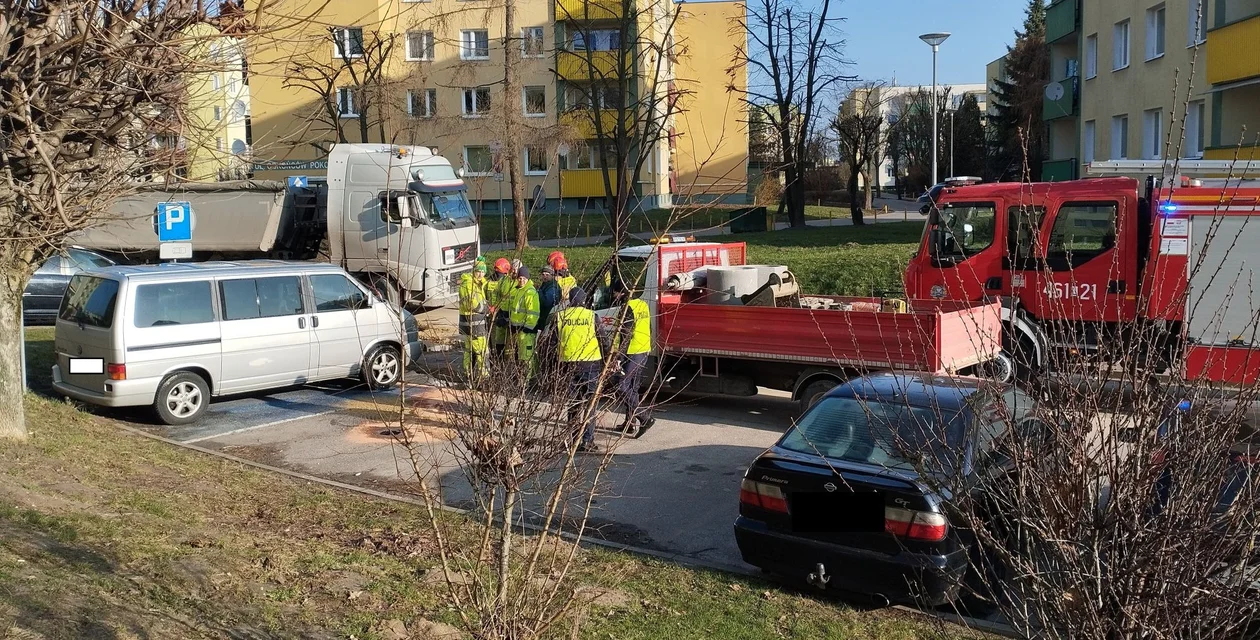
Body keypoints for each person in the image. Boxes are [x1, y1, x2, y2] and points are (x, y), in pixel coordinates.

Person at [557, 287, 606, 453]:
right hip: (591, 365)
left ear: (570, 300)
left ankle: (573, 439)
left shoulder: (561, 317)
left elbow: (551, 343)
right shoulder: (592, 317)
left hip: (569, 366)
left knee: (574, 404)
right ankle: (587, 440)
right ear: (584, 300)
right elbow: (603, 341)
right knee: (590, 405)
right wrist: (608, 361)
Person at [611, 280, 655, 436]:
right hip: (643, 350)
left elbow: (626, 334)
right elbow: (649, 327)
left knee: (621, 385)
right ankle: (629, 423)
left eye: (615, 292)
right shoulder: (642, 304)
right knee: (633, 388)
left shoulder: (627, 308)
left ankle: (644, 418)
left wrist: (618, 356)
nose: (614, 295)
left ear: (621, 292)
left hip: (631, 352)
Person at [457, 261, 490, 379]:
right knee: (481, 351)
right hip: (474, 323)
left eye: (483, 272)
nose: (481, 274)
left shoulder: (475, 283)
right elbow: (473, 304)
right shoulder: (469, 284)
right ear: (473, 271)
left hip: (468, 323)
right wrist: (486, 308)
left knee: (469, 351)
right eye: (478, 271)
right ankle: (483, 376)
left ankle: (468, 375)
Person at [509, 265, 540, 379]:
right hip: (519, 329)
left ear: (528, 279)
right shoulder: (518, 290)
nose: (521, 280)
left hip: (527, 330)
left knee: (526, 357)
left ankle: (526, 382)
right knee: (521, 356)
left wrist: (527, 327)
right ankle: (527, 378)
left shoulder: (530, 292)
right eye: (520, 278)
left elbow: (533, 313)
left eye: (524, 278)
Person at [489, 258, 515, 359]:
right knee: (499, 337)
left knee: (509, 339)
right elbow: (495, 294)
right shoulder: (503, 281)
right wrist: (494, 306)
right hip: (500, 312)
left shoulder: (514, 282)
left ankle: (506, 359)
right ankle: (499, 357)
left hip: (510, 313)